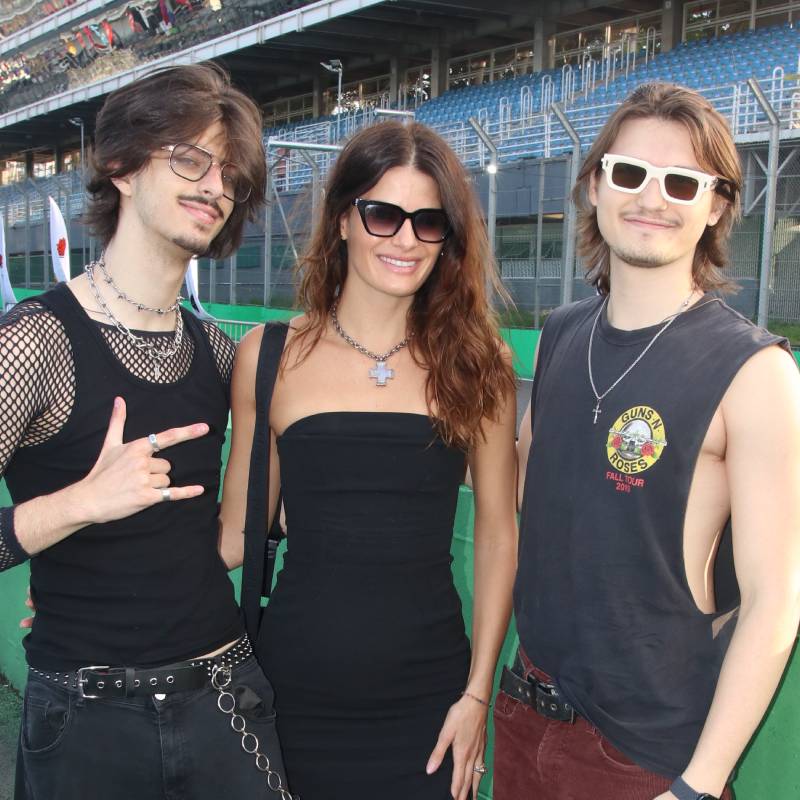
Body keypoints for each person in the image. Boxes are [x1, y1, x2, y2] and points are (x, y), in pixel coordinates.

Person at [493, 81, 800, 800]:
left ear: (716, 205)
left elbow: (774, 601)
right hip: (524, 717)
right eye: (629, 172)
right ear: (595, 186)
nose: (652, 198)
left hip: (643, 759)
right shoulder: (561, 333)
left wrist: (697, 786)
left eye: (682, 182)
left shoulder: (757, 372)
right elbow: (535, 504)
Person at [0, 64, 292, 799]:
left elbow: (229, 529)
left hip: (226, 698)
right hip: (86, 717)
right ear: (122, 167)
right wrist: (77, 506)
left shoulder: (217, 350)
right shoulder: (35, 342)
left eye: (230, 174)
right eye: (191, 159)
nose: (214, 186)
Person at [218, 120, 519, 800]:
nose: (406, 240)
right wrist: (106, 570)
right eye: (383, 214)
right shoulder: (268, 356)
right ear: (343, 219)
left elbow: (499, 535)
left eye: (428, 222)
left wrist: (476, 694)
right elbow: (235, 535)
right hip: (292, 695)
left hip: (430, 700)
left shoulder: (479, 364)